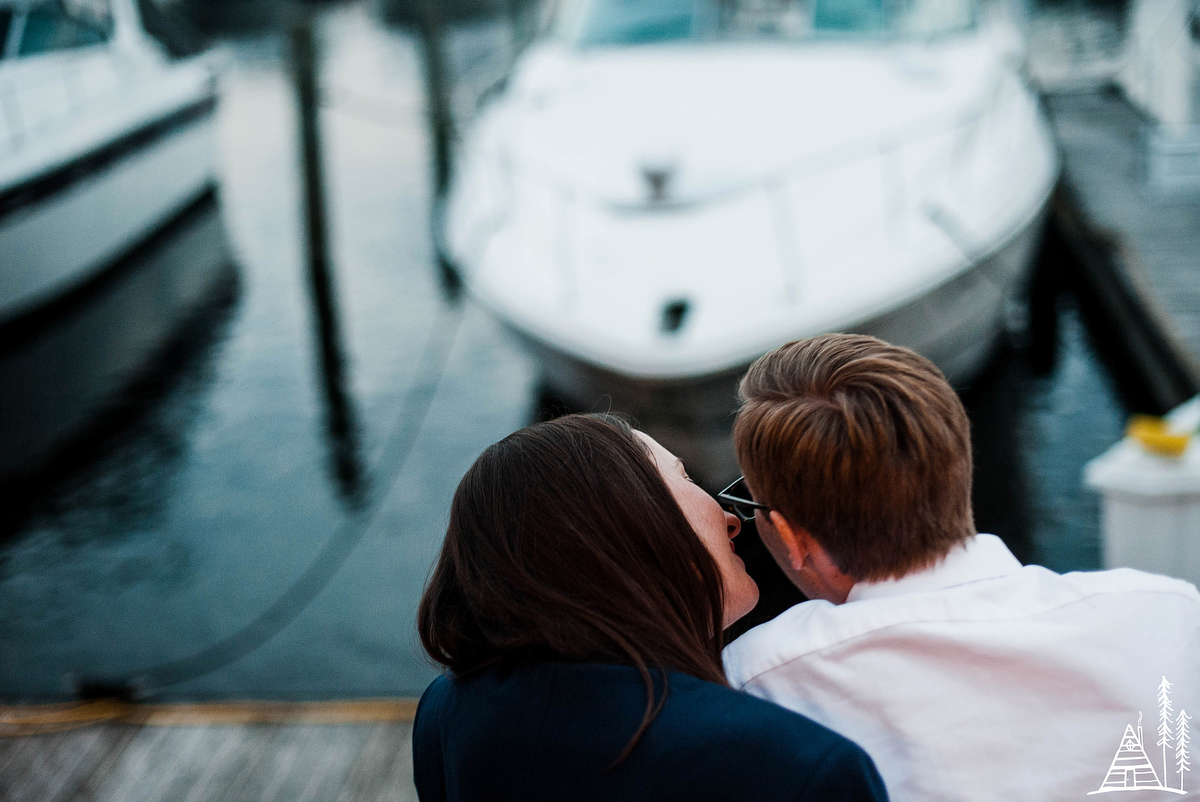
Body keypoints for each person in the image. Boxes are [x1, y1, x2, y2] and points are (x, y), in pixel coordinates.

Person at [721, 333, 1200, 802]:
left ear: (791, 535)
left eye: (750, 503)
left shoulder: (759, 683)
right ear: (956, 466)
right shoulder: (1168, 615)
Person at [413, 413, 888, 802]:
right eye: (685, 477)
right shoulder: (798, 766)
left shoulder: (446, 714)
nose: (731, 518)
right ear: (625, 524)